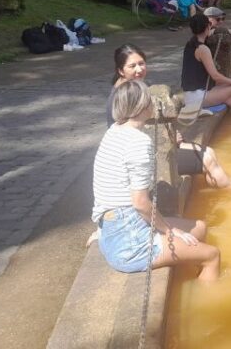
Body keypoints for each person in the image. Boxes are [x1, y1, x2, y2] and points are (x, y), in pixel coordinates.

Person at [93, 80, 220, 280]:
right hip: (130, 240)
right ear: (144, 106)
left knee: (201, 228)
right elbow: (140, 203)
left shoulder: (114, 131)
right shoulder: (139, 141)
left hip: (112, 228)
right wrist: (170, 231)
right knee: (213, 255)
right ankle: (211, 300)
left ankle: (189, 274)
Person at [108, 44, 231, 188]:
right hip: (142, 155)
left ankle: (223, 195)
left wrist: (172, 134)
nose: (139, 69)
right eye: (132, 66)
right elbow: (130, 134)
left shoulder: (137, 86)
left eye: (141, 63)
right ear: (120, 71)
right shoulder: (122, 97)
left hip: (153, 145)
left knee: (209, 152)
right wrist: (171, 138)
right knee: (208, 159)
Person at [181, 14, 231, 118]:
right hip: (198, 97)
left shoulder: (191, 43)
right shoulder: (203, 49)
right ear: (207, 27)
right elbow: (215, 76)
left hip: (194, 95)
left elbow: (213, 32)